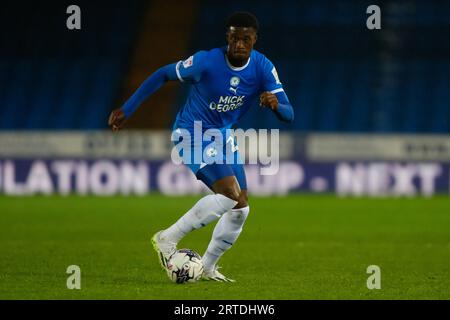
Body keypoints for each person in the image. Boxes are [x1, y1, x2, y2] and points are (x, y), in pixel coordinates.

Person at [108, 12, 294, 282]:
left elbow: (289, 114)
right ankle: (166, 239)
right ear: (227, 38)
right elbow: (163, 74)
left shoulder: (263, 67)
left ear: (255, 39)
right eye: (234, 38)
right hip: (192, 134)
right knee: (229, 193)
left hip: (222, 135)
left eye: (246, 39)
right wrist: (128, 108)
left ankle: (207, 267)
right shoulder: (206, 61)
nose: (240, 44)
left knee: (241, 209)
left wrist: (276, 106)